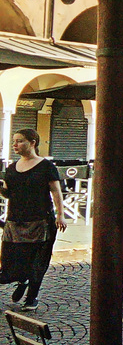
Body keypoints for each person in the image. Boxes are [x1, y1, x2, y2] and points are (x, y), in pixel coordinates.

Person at [0, 129, 66, 311]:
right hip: (15, 221)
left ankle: (32, 297)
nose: (15, 145)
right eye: (14, 141)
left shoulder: (46, 167)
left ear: (33, 143)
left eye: (20, 141)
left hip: (40, 221)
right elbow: (8, 192)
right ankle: (22, 280)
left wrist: (60, 214)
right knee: (10, 261)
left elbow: (55, 191)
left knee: (37, 261)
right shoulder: (12, 168)